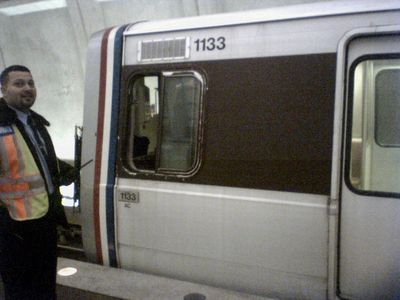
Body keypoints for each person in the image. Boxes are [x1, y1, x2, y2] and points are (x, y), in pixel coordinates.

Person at [0, 65, 76, 299]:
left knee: (44, 285)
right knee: (21, 290)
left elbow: (37, 160)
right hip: (14, 227)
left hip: (44, 220)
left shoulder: (35, 123)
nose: (28, 88)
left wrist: (62, 172)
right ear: (3, 89)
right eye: (19, 83)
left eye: (31, 83)